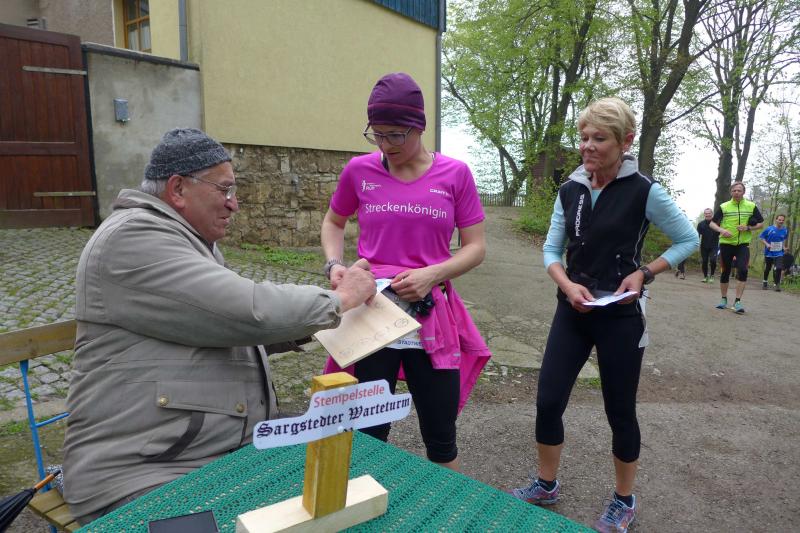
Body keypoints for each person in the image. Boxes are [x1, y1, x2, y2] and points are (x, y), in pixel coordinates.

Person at [62, 128, 376, 525]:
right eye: (225, 190)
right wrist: (340, 300)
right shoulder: (133, 237)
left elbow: (224, 325)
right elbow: (248, 311)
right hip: (139, 474)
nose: (235, 204)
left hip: (205, 454)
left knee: (333, 500)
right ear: (178, 189)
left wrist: (318, 322)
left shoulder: (186, 240)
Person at [510, 97, 697, 533]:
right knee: (548, 401)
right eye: (583, 137)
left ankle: (623, 500)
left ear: (625, 142)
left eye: (599, 138)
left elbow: (687, 239)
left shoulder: (645, 191)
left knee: (620, 411)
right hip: (573, 310)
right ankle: (546, 484)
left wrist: (644, 273)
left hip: (621, 317)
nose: (587, 146)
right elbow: (551, 250)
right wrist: (566, 285)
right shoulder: (570, 189)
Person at [320, 72, 491, 472]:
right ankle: (365, 498)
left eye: (396, 134)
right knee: (367, 433)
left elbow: (476, 247)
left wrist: (432, 274)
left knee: (440, 435)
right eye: (377, 134)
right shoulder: (359, 171)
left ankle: (444, 504)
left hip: (430, 313)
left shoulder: (455, 174)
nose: (385, 145)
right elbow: (333, 222)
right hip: (371, 313)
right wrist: (335, 265)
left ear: (420, 127)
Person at [709, 182, 764, 313]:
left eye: (739, 190)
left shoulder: (751, 206)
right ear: (731, 192)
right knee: (725, 271)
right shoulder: (724, 206)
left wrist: (748, 228)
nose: (737, 192)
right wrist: (722, 230)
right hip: (726, 243)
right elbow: (712, 223)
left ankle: (737, 302)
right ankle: (723, 299)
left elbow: (761, 223)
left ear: (743, 192)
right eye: (734, 190)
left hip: (743, 244)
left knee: (743, 270)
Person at [760, 214, 789, 292]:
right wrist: (767, 244)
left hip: (779, 253)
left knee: (779, 268)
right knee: (768, 268)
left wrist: (784, 247)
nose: (781, 221)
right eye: (779, 220)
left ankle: (777, 284)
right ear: (776, 220)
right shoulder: (769, 229)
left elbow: (783, 240)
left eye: (782, 220)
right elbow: (761, 237)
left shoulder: (785, 230)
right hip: (769, 252)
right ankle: (765, 281)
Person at [697, 208, 719, 282]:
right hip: (704, 246)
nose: (707, 215)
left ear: (712, 214)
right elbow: (697, 235)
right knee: (704, 261)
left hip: (714, 246)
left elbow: (721, 233)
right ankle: (705, 277)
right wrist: (696, 244)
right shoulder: (701, 224)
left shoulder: (717, 223)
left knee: (713, 260)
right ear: (704, 214)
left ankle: (712, 275)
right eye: (706, 213)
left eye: (709, 213)